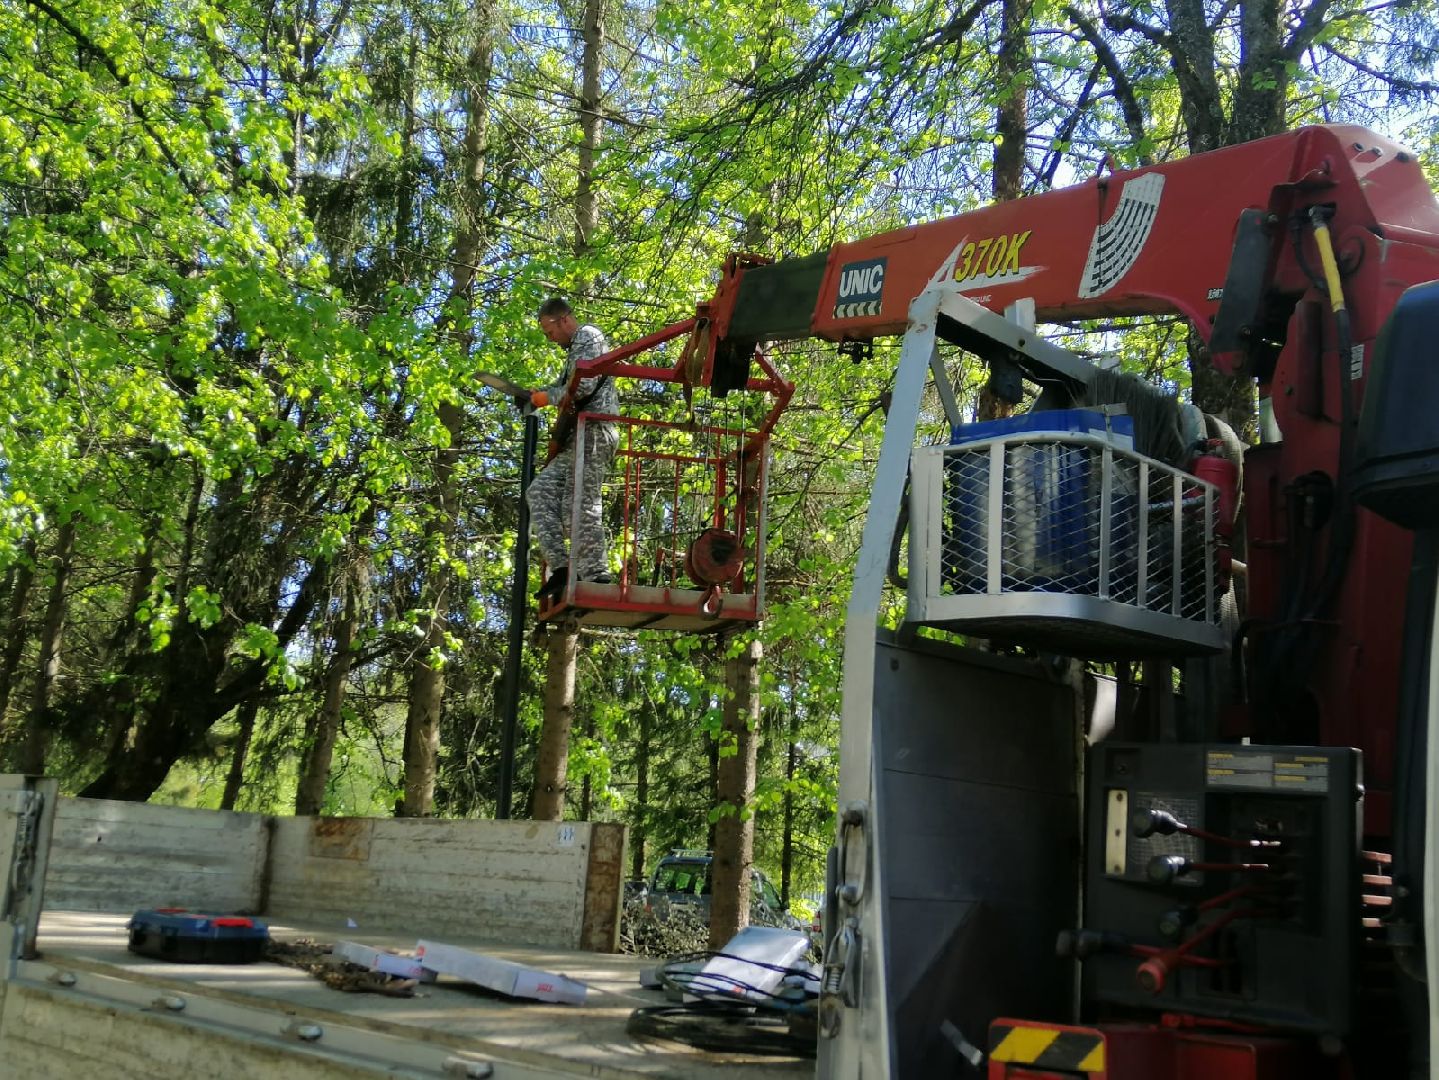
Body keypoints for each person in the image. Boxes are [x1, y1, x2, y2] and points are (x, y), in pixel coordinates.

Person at [526, 297, 620, 600]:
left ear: (564, 319)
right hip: (577, 436)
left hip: (595, 430)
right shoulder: (573, 353)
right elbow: (564, 387)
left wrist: (545, 398)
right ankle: (564, 569)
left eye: (549, 331)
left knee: (580, 503)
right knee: (539, 491)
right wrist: (539, 395)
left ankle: (597, 576)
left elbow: (581, 387)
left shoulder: (588, 336)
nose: (550, 339)